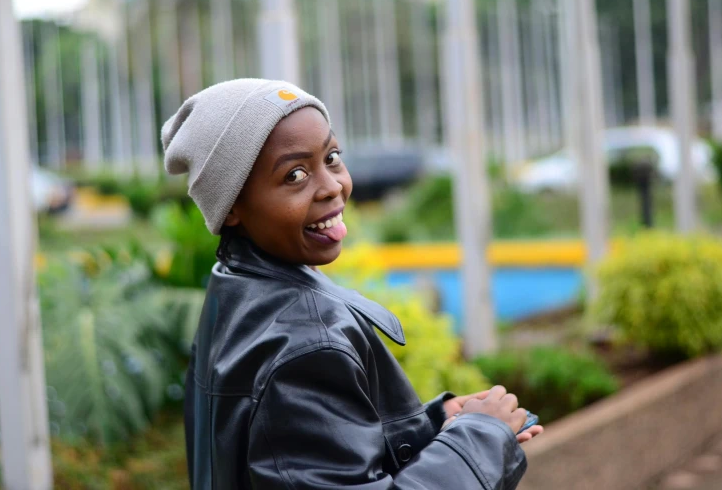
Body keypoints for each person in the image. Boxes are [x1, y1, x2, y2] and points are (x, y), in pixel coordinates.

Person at [161, 78, 543, 489]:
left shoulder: (233, 288)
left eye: (332, 157)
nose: (332, 186)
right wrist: (479, 440)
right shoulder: (306, 346)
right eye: (294, 175)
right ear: (232, 205)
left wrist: (436, 424)